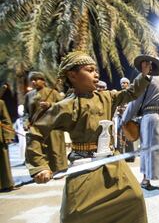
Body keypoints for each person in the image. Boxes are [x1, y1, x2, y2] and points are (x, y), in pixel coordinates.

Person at [25, 51, 151, 223]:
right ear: (73, 75)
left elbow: (130, 93)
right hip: (83, 167)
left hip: (113, 165)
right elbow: (36, 133)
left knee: (134, 198)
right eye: (90, 70)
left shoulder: (107, 97)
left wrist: (144, 75)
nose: (96, 74)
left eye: (95, 70)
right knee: (75, 215)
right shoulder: (65, 106)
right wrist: (40, 167)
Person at [122, 56, 159, 193]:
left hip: (150, 118)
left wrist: (125, 119)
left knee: (147, 148)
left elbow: (135, 101)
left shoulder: (148, 80)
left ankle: (146, 179)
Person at [24, 71, 67, 173]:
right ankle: (43, 170)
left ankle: (59, 169)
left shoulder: (53, 92)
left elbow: (63, 106)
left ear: (43, 81)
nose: (34, 82)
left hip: (53, 126)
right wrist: (26, 123)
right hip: (36, 127)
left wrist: (50, 104)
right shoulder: (28, 95)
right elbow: (26, 113)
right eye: (32, 80)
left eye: (36, 79)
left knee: (55, 149)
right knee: (38, 149)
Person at [0, 99, 17, 192]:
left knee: (3, 163)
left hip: (0, 138)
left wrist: (8, 135)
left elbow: (6, 120)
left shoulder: (1, 103)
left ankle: (7, 184)